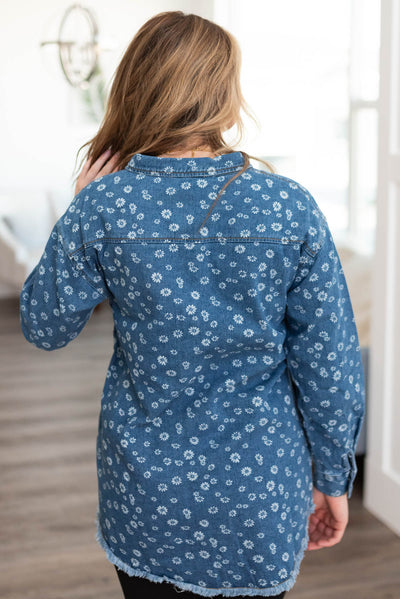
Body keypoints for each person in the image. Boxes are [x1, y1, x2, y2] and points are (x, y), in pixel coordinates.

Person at [19, 10, 365, 599]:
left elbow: (43, 325)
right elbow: (329, 363)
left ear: (136, 87)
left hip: (146, 489)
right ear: (224, 92)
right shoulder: (287, 205)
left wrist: (79, 210)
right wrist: (334, 479)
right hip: (259, 486)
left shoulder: (106, 205)